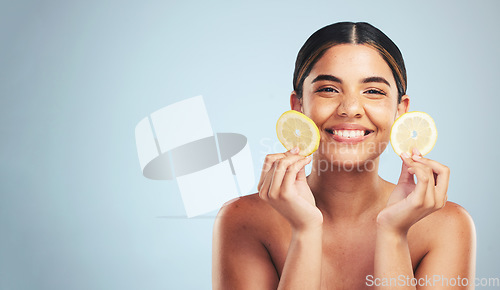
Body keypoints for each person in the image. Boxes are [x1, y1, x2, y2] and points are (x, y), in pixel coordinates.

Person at [212, 22, 476, 289]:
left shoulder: (446, 226)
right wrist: (305, 231)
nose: (350, 109)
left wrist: (393, 233)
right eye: (328, 89)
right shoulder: (243, 219)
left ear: (401, 111)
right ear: (299, 106)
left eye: (373, 91)